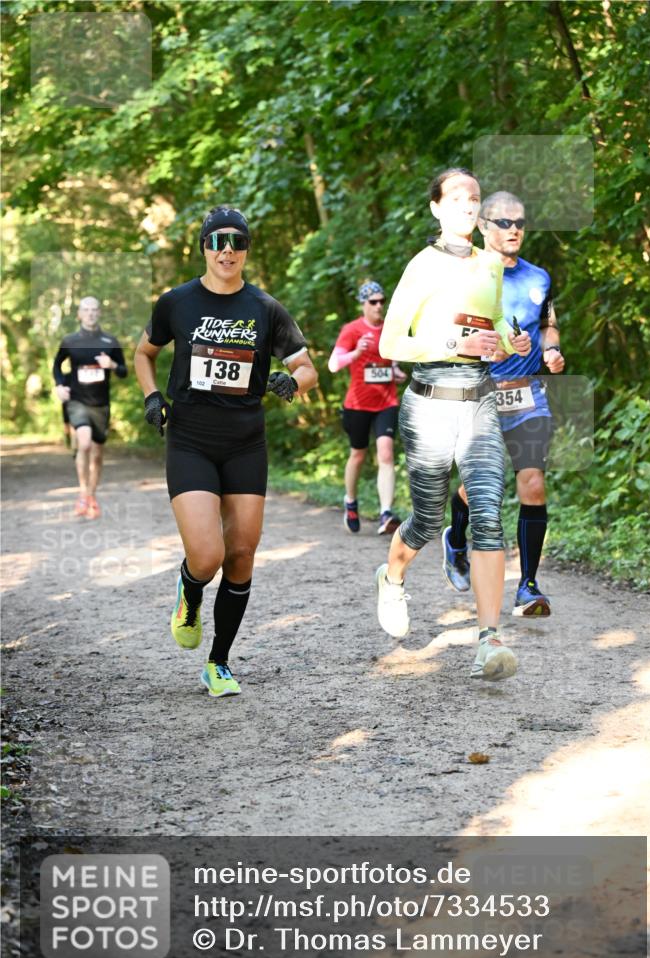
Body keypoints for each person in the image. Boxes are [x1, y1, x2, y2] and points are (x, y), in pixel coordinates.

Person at [134, 206, 318, 699]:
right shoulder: (176, 302)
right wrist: (152, 396)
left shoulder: (266, 308)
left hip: (245, 442)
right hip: (191, 439)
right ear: (204, 248)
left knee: (241, 554)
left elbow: (307, 367)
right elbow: (144, 353)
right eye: (218, 241)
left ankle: (218, 663)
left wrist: (290, 380)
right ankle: (189, 591)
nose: (228, 250)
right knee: (209, 554)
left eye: (237, 241)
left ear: (247, 249)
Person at [375, 168, 531, 682]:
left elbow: (490, 323)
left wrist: (511, 341)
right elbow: (391, 343)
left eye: (475, 198)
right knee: (426, 516)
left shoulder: (491, 264)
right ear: (437, 208)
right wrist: (450, 346)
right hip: (429, 403)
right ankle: (393, 576)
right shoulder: (421, 265)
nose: (468, 205)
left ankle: (488, 639)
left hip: (480, 400)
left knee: (487, 509)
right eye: (458, 198)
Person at [443, 191, 565, 617]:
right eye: (503, 223)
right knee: (478, 488)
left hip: (529, 394)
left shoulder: (539, 277)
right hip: (480, 393)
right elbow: (449, 337)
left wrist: (551, 350)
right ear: (483, 227)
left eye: (520, 222)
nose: (514, 230)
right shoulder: (467, 274)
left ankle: (528, 586)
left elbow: (549, 324)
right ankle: (455, 537)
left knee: (532, 483)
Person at [328, 281, 407, 534]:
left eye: (382, 301)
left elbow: (391, 363)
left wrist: (395, 372)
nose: (379, 306)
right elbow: (333, 364)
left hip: (386, 402)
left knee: (386, 453)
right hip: (358, 404)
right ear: (363, 304)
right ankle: (350, 501)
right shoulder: (352, 330)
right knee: (358, 454)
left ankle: (386, 513)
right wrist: (356, 352)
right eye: (373, 301)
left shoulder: (389, 330)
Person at [53, 296, 127, 518]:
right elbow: (57, 365)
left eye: (95, 309)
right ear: (79, 314)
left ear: (99, 313)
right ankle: (83, 493)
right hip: (77, 400)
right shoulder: (70, 341)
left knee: (97, 453)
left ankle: (91, 496)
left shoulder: (110, 341)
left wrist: (112, 365)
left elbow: (123, 372)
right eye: (86, 310)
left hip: (100, 404)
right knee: (83, 443)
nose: (91, 313)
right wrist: (59, 385)